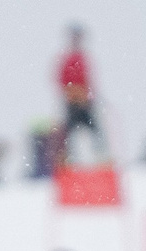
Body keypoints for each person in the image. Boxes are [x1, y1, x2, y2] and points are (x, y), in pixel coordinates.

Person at [58, 25, 101, 154]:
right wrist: (74, 94)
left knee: (93, 131)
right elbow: (62, 80)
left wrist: (87, 96)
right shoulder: (69, 59)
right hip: (73, 102)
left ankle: (99, 158)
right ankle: (66, 159)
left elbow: (88, 79)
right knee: (69, 134)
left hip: (84, 102)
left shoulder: (81, 58)